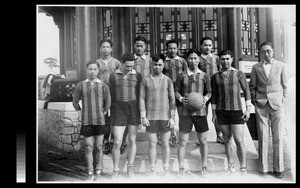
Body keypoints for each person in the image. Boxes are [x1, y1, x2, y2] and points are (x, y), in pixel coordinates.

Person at [249, 41, 288, 179]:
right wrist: (255, 101)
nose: (266, 54)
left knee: (278, 137)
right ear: (260, 53)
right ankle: (263, 168)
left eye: (268, 51)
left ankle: (279, 169)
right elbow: (252, 86)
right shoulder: (256, 67)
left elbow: (285, 86)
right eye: (263, 51)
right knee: (263, 137)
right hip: (261, 105)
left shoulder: (281, 66)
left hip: (277, 105)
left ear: (273, 52)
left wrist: (283, 102)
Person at [211, 50, 251, 176]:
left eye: (227, 59)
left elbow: (246, 90)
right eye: (223, 59)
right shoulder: (215, 76)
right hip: (221, 111)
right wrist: (214, 114)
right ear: (219, 61)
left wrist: (248, 109)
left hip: (236, 111)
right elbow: (214, 96)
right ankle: (230, 166)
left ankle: (243, 168)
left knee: (239, 139)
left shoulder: (239, 73)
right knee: (227, 139)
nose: (225, 61)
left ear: (232, 59)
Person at [72, 60, 111, 181]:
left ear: (98, 71)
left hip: (100, 121)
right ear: (87, 70)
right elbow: (75, 101)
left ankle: (98, 171)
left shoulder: (103, 85)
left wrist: (103, 112)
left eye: (95, 69)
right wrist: (80, 113)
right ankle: (90, 172)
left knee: (99, 147)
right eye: (90, 69)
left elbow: (108, 101)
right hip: (87, 121)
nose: (92, 71)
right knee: (89, 147)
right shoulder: (81, 85)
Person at [175, 49, 211, 177]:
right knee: (183, 141)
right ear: (187, 60)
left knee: (203, 141)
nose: (193, 61)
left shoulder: (204, 75)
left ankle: (204, 166)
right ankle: (181, 167)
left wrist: (204, 99)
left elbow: (209, 91)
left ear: (199, 60)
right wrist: (180, 99)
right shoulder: (181, 76)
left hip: (201, 113)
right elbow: (176, 91)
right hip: (185, 114)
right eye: (190, 58)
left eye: (195, 58)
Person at [140, 53, 176, 176]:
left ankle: (166, 169)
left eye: (160, 65)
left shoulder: (168, 80)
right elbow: (141, 98)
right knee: (152, 144)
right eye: (155, 65)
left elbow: (172, 100)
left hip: (165, 117)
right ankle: (152, 170)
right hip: (151, 117)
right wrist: (143, 116)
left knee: (166, 144)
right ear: (151, 65)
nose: (157, 67)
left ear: (163, 65)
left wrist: (172, 118)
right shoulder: (145, 80)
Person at [109, 52, 143, 179]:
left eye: (132, 66)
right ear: (122, 64)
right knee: (117, 142)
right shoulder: (113, 76)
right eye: (127, 66)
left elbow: (140, 94)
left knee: (132, 140)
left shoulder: (137, 75)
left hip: (133, 109)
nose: (130, 69)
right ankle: (116, 169)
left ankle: (130, 167)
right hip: (118, 110)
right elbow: (111, 94)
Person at [96, 38, 122, 155]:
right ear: (100, 48)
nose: (105, 49)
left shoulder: (116, 62)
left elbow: (121, 78)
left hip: (115, 92)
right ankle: (105, 139)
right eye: (103, 47)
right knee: (104, 116)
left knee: (115, 116)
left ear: (111, 49)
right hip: (101, 93)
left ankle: (114, 140)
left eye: (107, 47)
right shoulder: (96, 63)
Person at [198, 37, 224, 144]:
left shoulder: (216, 58)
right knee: (202, 112)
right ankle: (201, 137)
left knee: (216, 112)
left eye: (209, 45)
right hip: (202, 89)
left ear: (212, 46)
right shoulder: (198, 58)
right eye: (205, 45)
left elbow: (221, 71)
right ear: (201, 46)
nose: (207, 47)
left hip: (215, 88)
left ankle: (219, 135)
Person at [163, 39, 188, 147]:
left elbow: (187, 75)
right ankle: (172, 136)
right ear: (167, 49)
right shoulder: (163, 61)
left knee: (182, 114)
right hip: (167, 90)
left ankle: (181, 137)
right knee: (169, 114)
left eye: (174, 48)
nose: (172, 50)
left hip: (180, 91)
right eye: (170, 48)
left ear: (177, 49)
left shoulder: (182, 61)